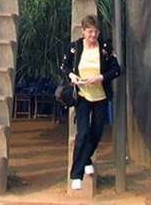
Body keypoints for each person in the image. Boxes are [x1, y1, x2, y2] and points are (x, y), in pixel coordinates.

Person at [60, 15, 122, 191]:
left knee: (96, 132)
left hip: (101, 96)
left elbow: (117, 69)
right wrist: (73, 76)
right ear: (83, 32)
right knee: (83, 133)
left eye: (95, 32)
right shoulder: (74, 48)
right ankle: (76, 174)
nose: (92, 36)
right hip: (82, 95)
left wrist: (101, 77)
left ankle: (87, 159)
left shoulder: (104, 48)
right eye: (89, 32)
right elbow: (64, 66)